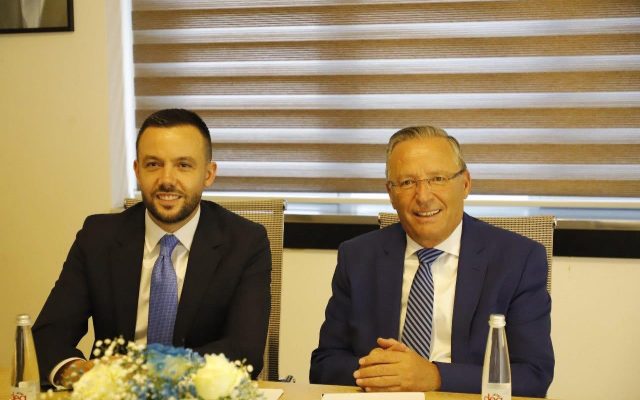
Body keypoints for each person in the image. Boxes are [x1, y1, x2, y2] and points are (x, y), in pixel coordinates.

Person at [33, 109, 271, 387]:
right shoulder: (98, 238)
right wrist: (83, 374)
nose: (167, 179)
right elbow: (48, 336)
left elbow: (245, 351)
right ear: (137, 171)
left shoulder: (245, 242)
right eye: (153, 164)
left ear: (208, 174)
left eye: (183, 165)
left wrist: (144, 371)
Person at [310, 126, 554, 397]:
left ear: (465, 184)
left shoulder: (518, 259)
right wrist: (384, 374)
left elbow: (533, 375)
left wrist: (435, 376)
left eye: (438, 178)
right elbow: (324, 365)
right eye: (407, 182)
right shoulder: (357, 257)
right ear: (391, 193)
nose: (423, 196)